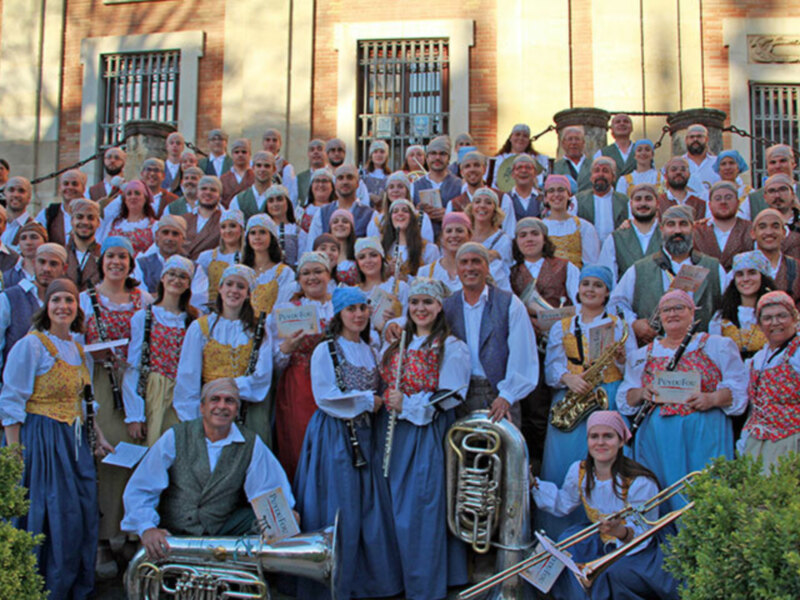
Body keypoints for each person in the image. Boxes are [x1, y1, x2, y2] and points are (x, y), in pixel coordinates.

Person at [0, 279, 114, 599]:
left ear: (78, 308)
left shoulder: (77, 348)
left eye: (69, 300)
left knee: (77, 513)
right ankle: (40, 587)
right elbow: (12, 399)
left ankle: (68, 585)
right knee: (46, 513)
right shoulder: (32, 345)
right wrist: (14, 452)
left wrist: (99, 438)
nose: (63, 306)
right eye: (56, 300)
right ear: (46, 307)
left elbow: (85, 401)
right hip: (42, 440)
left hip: (73, 442)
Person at [294, 287, 402, 600]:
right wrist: (369, 400)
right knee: (338, 505)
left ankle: (365, 581)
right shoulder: (326, 349)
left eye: (362, 309)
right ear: (339, 314)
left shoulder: (369, 349)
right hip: (335, 435)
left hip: (365, 436)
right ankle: (332, 581)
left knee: (366, 506)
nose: (358, 315)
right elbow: (325, 396)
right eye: (351, 309)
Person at [121, 378, 294, 556]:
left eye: (230, 401)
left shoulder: (251, 443)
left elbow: (268, 488)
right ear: (202, 407)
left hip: (224, 528)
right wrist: (147, 527)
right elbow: (142, 486)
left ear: (237, 410)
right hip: (175, 530)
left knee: (275, 521)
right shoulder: (176, 436)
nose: (222, 406)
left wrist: (284, 516)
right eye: (215, 399)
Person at [378, 277, 469, 599]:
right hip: (388, 432)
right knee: (390, 510)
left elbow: (451, 395)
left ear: (440, 307)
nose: (420, 308)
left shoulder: (451, 347)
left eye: (427, 302)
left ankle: (424, 586)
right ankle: (395, 580)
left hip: (424, 432)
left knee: (419, 509)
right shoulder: (396, 342)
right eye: (415, 302)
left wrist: (409, 405)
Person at [617, 289, 747, 511]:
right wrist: (642, 393)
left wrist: (712, 398)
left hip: (704, 433)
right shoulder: (642, 354)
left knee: (705, 493)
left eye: (679, 308)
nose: (673, 313)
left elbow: (739, 389)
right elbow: (626, 395)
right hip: (657, 439)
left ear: (692, 313)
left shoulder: (717, 345)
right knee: (663, 494)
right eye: (666, 309)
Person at [531, 411, 679, 600]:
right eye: (594, 436)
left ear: (621, 441)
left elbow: (644, 534)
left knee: (614, 572)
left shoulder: (639, 482)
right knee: (566, 544)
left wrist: (620, 532)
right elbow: (563, 503)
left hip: (637, 547)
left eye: (608, 436)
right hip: (601, 539)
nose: (600, 443)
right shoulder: (580, 470)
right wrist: (533, 485)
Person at [539, 266, 635, 538]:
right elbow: (551, 369)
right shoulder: (562, 326)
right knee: (564, 462)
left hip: (608, 397)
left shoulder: (620, 325)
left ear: (607, 292)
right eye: (586, 284)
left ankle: (612, 531)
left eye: (597, 285)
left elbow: (635, 369)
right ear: (578, 290)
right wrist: (568, 379)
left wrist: (620, 359)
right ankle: (564, 534)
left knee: (610, 461)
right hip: (572, 398)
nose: (590, 290)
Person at [79, 236, 153, 574]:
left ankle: (129, 532)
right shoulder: (85, 300)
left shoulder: (144, 298)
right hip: (100, 383)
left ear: (131, 261)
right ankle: (103, 536)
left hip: (136, 384)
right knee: (106, 456)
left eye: (123, 256)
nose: (116, 262)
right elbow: (74, 344)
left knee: (135, 454)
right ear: (101, 260)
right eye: (111, 256)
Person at [173, 265, 273, 443]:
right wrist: (192, 419)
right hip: (211, 410)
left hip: (248, 409)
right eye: (229, 284)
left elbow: (262, 376)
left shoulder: (259, 329)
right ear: (220, 288)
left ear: (249, 293)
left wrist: (228, 388)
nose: (234, 290)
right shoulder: (200, 327)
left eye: (241, 287)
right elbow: (188, 377)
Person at [441, 242, 538, 426]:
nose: (469, 267)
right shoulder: (447, 306)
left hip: (499, 396)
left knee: (502, 452)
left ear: (487, 267)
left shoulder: (510, 303)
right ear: (457, 268)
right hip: (459, 396)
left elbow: (523, 354)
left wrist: (507, 396)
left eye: (476, 261)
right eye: (464, 262)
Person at [609, 205, 725, 344]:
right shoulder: (640, 269)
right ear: (662, 229)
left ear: (693, 229)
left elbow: (726, 308)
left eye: (683, 224)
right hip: (656, 352)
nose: (677, 230)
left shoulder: (712, 266)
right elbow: (616, 304)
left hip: (700, 353)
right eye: (671, 224)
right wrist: (633, 323)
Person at [269, 252, 334, 479]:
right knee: (301, 442)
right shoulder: (288, 310)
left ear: (329, 274)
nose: (312, 277)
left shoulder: (340, 305)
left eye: (318, 271)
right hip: (300, 384)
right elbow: (275, 361)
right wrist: (288, 346)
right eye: (306, 273)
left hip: (335, 380)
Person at [123, 255, 198, 447]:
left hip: (183, 390)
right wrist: (134, 413)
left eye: (182, 276)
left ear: (188, 284)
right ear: (162, 278)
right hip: (154, 389)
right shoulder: (145, 317)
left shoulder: (192, 320)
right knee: (154, 446)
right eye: (171, 274)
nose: (176, 280)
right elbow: (134, 363)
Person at [743, 291, 800, 473]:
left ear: (794, 318)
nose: (775, 323)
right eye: (767, 318)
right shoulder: (759, 358)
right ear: (759, 325)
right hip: (759, 439)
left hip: (792, 438)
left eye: (781, 316)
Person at [0, 243, 68, 376]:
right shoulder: (9, 298)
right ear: (33, 263)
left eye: (53, 264)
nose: (46, 269)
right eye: (42, 262)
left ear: (64, 268)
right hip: (15, 383)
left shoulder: (67, 302)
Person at [419, 211, 511, 293]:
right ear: (442, 238)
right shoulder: (426, 272)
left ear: (470, 236)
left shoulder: (491, 267)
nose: (454, 235)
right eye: (449, 231)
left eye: (459, 231)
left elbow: (505, 300)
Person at [709, 251, 774, 360]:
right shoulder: (720, 318)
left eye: (752, 273)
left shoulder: (776, 312)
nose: (745, 279)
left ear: (762, 276)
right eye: (740, 274)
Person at [598, 183, 662, 281]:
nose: (643, 204)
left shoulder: (667, 235)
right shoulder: (616, 238)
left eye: (648, 199)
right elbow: (608, 276)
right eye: (638, 199)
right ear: (631, 204)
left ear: (657, 204)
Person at [510, 217, 579, 308]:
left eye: (535, 234)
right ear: (517, 242)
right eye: (523, 235)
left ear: (544, 240)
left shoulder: (566, 267)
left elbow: (578, 302)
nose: (529, 239)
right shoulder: (511, 273)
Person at [691, 180, 754, 270]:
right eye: (718, 198)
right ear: (710, 205)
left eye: (728, 197)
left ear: (738, 203)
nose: (723, 202)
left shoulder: (750, 229)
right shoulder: (695, 230)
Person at [541, 174, 601, 268]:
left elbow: (592, 263)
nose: (556, 195)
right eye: (551, 191)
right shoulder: (540, 228)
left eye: (561, 190)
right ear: (546, 198)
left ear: (569, 195)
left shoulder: (583, 227)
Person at [242, 214, 296, 316]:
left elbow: (282, 307)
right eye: (253, 233)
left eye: (262, 232)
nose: (257, 237)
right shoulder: (241, 271)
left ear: (272, 237)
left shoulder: (283, 273)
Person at [307, 164, 376, 240]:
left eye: (349, 177)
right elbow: (312, 246)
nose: (345, 182)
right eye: (340, 178)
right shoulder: (321, 214)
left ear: (357, 184)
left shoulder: (370, 215)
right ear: (335, 184)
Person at [355, 237, 407, 332]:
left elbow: (410, 319)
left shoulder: (400, 287)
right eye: (362, 257)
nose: (368, 260)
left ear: (381, 258)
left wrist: (396, 321)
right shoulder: (354, 293)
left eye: (373, 255)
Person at [411, 138, 463, 235]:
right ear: (427, 158)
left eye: (442, 154)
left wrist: (448, 214)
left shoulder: (460, 185)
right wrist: (418, 213)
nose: (437, 157)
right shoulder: (414, 186)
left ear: (448, 158)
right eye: (433, 153)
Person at [367, 171, 435, 243]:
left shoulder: (421, 218)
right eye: (391, 187)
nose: (395, 190)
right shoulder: (378, 221)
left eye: (400, 186)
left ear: (407, 191)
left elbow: (428, 245)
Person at [749, 208, 800, 304]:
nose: (769, 232)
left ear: (784, 233)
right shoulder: (742, 266)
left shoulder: (797, 267)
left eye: (775, 227)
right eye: (762, 227)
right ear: (753, 233)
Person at [197, 208, 245, 306]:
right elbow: (199, 288)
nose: (227, 231)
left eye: (232, 226)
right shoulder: (207, 257)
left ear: (241, 229)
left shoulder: (250, 256)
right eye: (223, 227)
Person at [576, 157, 630, 242]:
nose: (600, 174)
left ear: (614, 177)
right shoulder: (578, 200)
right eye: (597, 171)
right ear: (591, 177)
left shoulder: (624, 201)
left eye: (605, 171)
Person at [382, 198, 440, 278]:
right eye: (395, 211)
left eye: (405, 211)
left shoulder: (429, 249)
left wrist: (406, 279)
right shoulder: (382, 249)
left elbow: (433, 282)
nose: (400, 214)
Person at [741, 144, 800, 220]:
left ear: (793, 164)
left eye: (783, 161)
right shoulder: (752, 200)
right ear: (767, 167)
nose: (778, 166)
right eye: (773, 162)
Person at [100, 180, 157, 256]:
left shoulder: (154, 226)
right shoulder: (114, 224)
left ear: (145, 198)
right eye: (129, 194)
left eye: (137, 193)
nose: (133, 197)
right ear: (124, 200)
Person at [489, 123, 549, 189]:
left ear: (528, 141)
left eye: (525, 136)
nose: (521, 138)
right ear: (510, 138)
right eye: (517, 134)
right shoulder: (498, 160)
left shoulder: (539, 159)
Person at [36, 169, 86, 246]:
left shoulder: (92, 214)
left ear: (83, 189)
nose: (70, 187)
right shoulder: (48, 214)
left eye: (74, 184)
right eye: (66, 184)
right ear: (60, 188)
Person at [465, 188, 513, 268]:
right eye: (477, 202)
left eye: (488, 202)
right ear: (472, 208)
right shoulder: (464, 235)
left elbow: (506, 271)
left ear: (495, 210)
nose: (482, 205)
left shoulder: (503, 240)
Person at [181, 174, 223, 260]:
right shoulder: (184, 219)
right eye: (203, 189)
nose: (208, 192)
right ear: (197, 193)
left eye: (213, 190)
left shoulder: (224, 221)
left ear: (219, 196)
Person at [65, 199, 102, 291]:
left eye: (90, 218)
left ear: (98, 223)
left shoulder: (104, 255)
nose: (85, 222)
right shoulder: (60, 255)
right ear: (72, 221)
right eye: (79, 217)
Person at [230, 150, 276, 220]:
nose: (262, 169)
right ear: (253, 168)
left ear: (274, 169)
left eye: (267, 166)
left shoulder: (281, 198)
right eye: (259, 165)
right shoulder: (239, 200)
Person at [658, 157, 709, 221]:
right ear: (665, 175)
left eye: (683, 169)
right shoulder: (658, 202)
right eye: (674, 169)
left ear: (689, 174)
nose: (678, 172)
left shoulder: (700, 204)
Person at [264, 185, 300, 267]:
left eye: (279, 199)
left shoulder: (296, 230)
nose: (275, 204)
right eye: (271, 201)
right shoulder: (262, 229)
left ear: (287, 202)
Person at [4, 221, 46, 288]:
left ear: (45, 241)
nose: (28, 242)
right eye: (23, 238)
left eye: (34, 237)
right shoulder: (8, 276)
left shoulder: (53, 270)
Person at [262, 128, 298, 205]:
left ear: (280, 144)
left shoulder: (286, 167)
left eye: (274, 140)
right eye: (268, 140)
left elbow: (291, 193)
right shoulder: (253, 164)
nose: (271, 143)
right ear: (263, 143)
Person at [299, 168, 335, 243]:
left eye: (325, 181)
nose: (320, 185)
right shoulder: (300, 211)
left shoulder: (336, 210)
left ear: (332, 187)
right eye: (317, 181)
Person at [682, 123, 719, 193]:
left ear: (706, 139)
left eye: (699, 136)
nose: (695, 139)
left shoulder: (718, 162)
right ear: (686, 140)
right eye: (691, 137)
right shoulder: (678, 164)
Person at [553, 126, 592, 192]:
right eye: (570, 139)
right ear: (563, 143)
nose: (573, 143)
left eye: (577, 139)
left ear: (583, 143)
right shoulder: (555, 168)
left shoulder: (593, 166)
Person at [328, 209, 360, 285]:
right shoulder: (323, 253)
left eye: (345, 221)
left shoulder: (359, 253)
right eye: (335, 222)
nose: (340, 224)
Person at [2, 175, 34, 249]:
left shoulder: (34, 228)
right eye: (11, 190)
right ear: (4, 194)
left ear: (29, 197)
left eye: (21, 191)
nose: (15, 195)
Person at [220, 138, 254, 207]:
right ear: (232, 155)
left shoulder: (256, 177)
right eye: (237, 152)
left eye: (244, 152)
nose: (240, 155)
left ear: (249, 154)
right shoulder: (223, 179)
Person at [296, 139, 327, 207]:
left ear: (326, 153)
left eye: (319, 149)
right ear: (308, 154)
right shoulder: (300, 178)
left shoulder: (333, 175)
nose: (315, 152)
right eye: (312, 150)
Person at [361, 139, 391, 209]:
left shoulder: (390, 176)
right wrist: (369, 196)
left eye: (382, 152)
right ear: (371, 156)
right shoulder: (363, 175)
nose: (379, 155)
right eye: (375, 152)